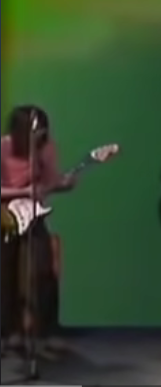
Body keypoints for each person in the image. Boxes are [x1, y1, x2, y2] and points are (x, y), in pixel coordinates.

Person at [0, 105, 76, 359]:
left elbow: (49, 182)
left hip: (33, 216)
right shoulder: (3, 148)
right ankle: (9, 332)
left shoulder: (47, 149)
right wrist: (23, 192)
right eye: (34, 133)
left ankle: (46, 332)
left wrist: (63, 184)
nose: (40, 138)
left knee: (43, 269)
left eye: (42, 133)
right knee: (5, 273)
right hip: (4, 216)